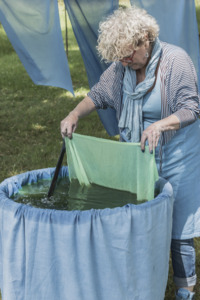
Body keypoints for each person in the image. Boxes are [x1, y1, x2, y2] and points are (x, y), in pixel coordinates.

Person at [60, 7, 200, 300]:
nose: (124, 62)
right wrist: (74, 114)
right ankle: (140, 283)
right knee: (137, 222)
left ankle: (184, 289)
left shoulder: (176, 62)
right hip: (137, 159)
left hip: (176, 158)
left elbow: (191, 108)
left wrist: (159, 126)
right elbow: (97, 95)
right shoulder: (122, 68)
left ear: (145, 39)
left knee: (179, 230)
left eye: (127, 56)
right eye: (119, 58)